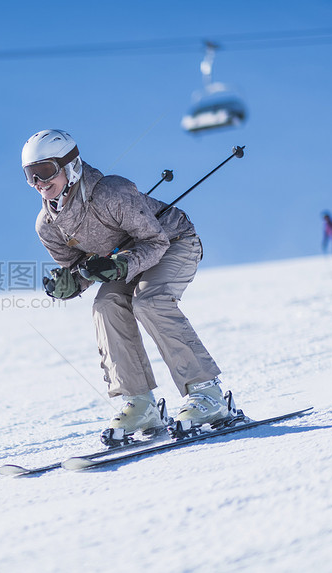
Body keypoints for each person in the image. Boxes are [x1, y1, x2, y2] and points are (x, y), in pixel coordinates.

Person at [23, 129, 231, 446]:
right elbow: (81, 269)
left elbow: (156, 240)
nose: (39, 182)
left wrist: (120, 266)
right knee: (104, 306)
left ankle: (207, 393)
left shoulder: (112, 192)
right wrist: (69, 283)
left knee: (148, 300)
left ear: (70, 165)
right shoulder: (48, 226)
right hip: (125, 261)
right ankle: (140, 403)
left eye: (46, 171)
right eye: (30, 175)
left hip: (174, 243)